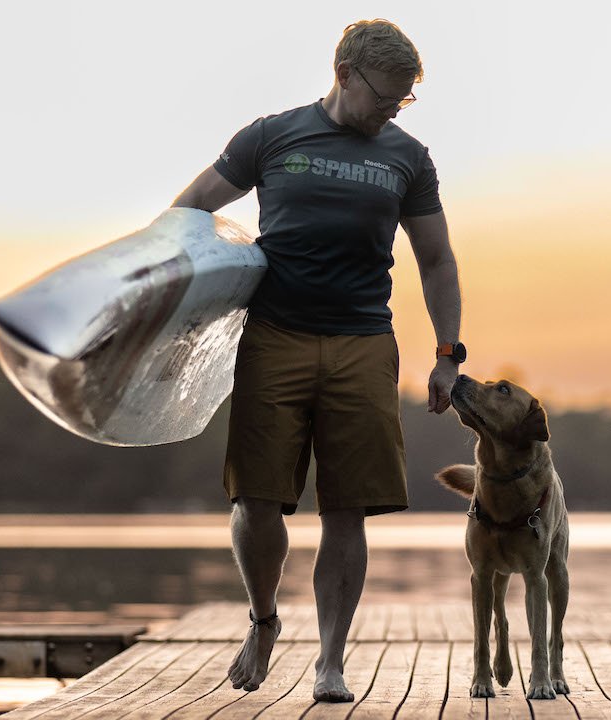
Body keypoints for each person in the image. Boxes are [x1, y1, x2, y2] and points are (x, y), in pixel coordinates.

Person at [170, 19, 464, 702]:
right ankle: (264, 618)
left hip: (363, 343)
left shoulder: (408, 158)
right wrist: (172, 309)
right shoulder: (271, 138)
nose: (393, 110)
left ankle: (330, 662)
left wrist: (448, 353)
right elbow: (189, 209)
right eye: (385, 96)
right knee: (257, 501)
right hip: (276, 337)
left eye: (403, 102)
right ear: (345, 74)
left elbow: (438, 260)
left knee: (348, 509)